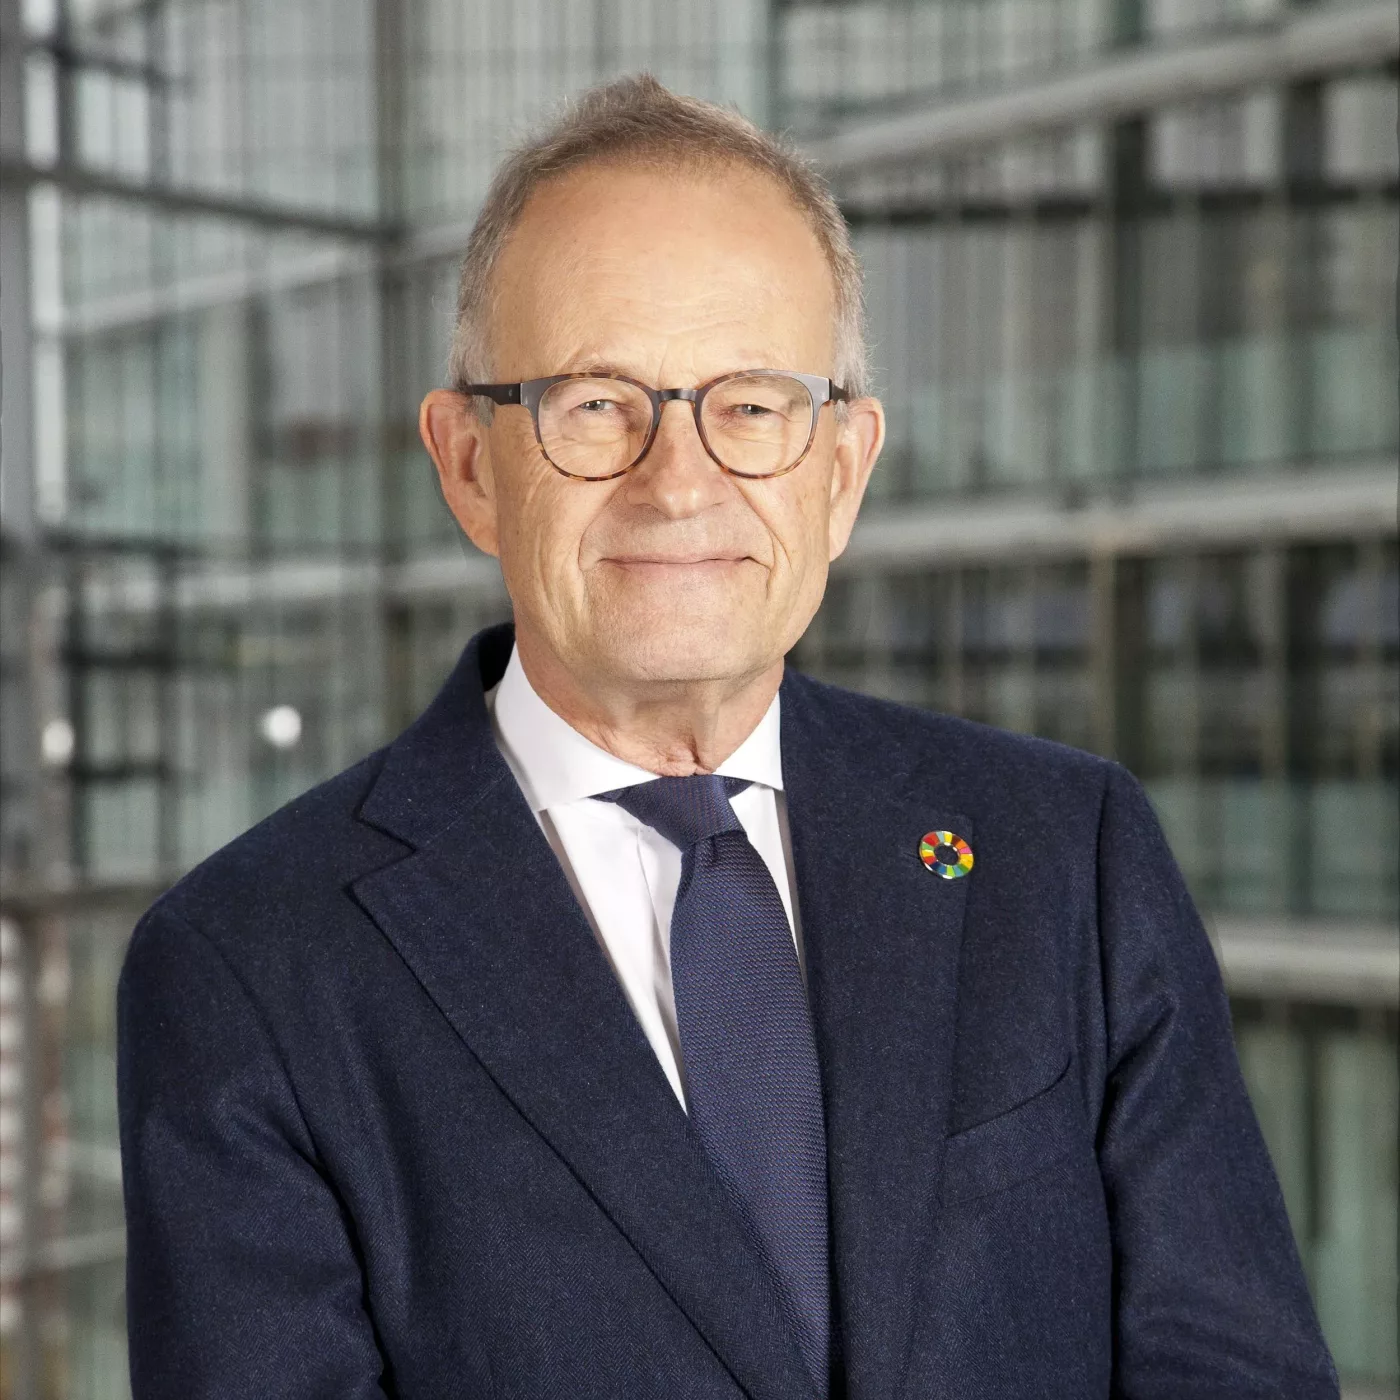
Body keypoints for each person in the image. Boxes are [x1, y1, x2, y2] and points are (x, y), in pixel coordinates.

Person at [117, 75, 1337, 1399]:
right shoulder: (248, 968)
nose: (679, 481)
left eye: (753, 405)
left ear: (843, 471)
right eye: (595, 403)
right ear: (470, 465)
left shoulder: (1063, 853)